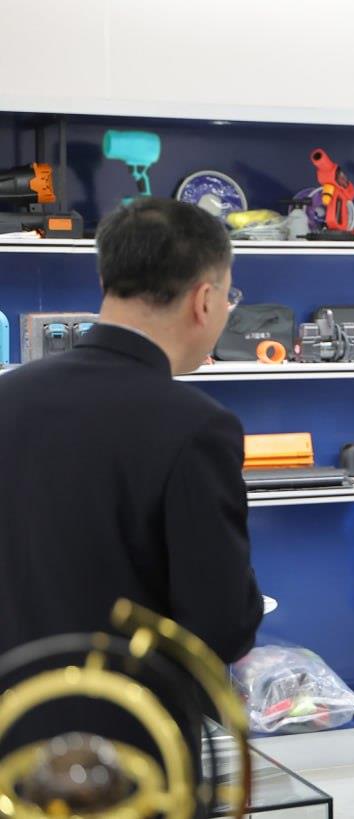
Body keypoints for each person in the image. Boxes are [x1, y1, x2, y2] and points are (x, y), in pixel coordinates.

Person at [0, 198, 264, 745]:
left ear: (105, 280)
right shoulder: (196, 425)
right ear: (205, 300)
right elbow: (221, 626)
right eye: (229, 296)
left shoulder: (9, 397)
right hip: (130, 743)